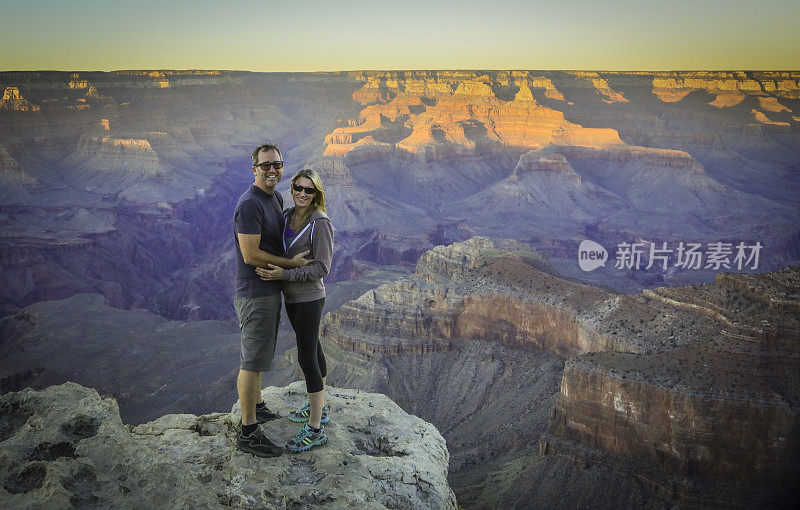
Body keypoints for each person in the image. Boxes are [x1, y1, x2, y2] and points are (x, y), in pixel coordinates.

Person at [233, 143, 312, 458]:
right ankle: (248, 432)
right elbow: (250, 254)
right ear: (254, 169)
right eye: (265, 165)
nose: (271, 170)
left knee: (262, 352)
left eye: (276, 165)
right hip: (255, 291)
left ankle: (259, 406)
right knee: (252, 360)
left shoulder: (275, 197)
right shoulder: (250, 204)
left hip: (269, 290)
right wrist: (291, 266)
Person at [256, 167, 334, 453]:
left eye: (308, 190)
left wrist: (284, 275)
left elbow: (322, 267)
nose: (302, 193)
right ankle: (320, 409)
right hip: (291, 297)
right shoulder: (288, 216)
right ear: (292, 189)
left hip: (309, 298)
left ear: (316, 194)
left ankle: (315, 429)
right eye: (298, 188)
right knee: (315, 349)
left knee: (306, 356)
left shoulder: (320, 223)